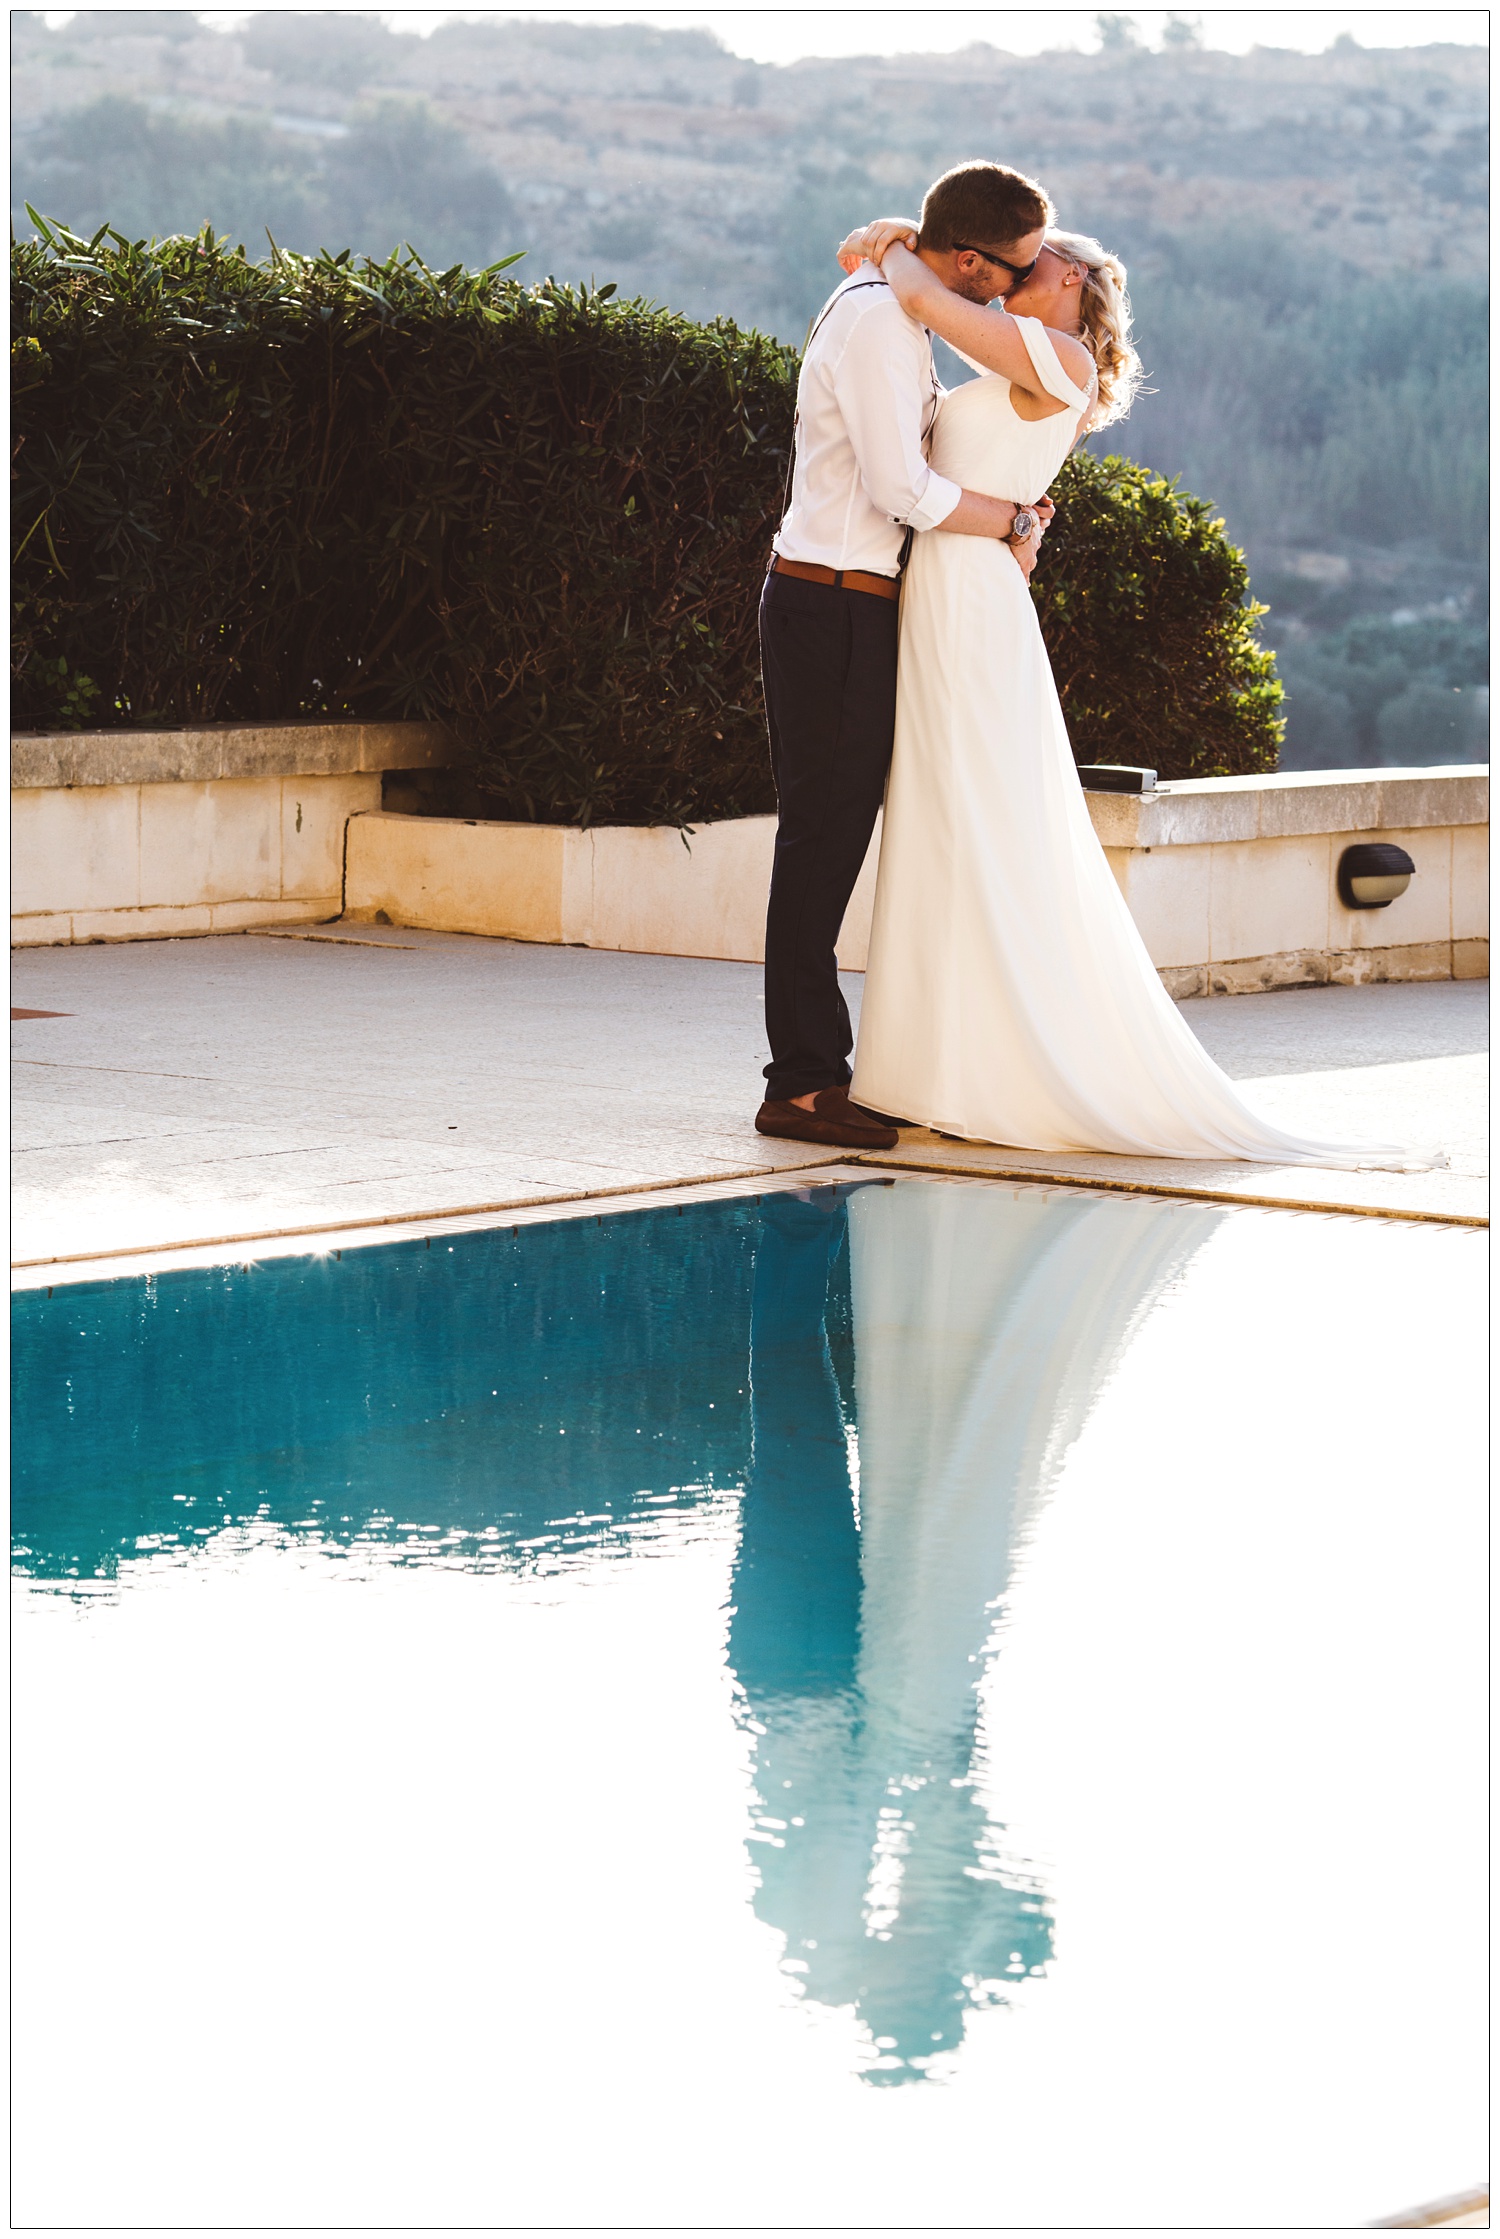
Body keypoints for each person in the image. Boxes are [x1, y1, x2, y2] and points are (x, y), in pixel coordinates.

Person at [830, 216, 1433, 1173]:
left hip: (973, 607)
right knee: (944, 824)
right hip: (948, 593)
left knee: (982, 822)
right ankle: (934, 1070)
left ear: (1065, 275)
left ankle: (986, 1071)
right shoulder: (1030, 358)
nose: (1012, 276)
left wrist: (889, 239)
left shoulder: (1060, 358)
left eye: (1029, 263)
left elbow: (924, 300)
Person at [753, 162, 1057, 1154]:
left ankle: (810, 1071)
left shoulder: (893, 298)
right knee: (822, 841)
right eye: (1011, 274)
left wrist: (892, 239)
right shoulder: (884, 322)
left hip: (840, 604)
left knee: (828, 836)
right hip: (832, 604)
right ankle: (800, 1084)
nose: (1014, 294)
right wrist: (1010, 517)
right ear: (966, 260)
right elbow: (901, 487)